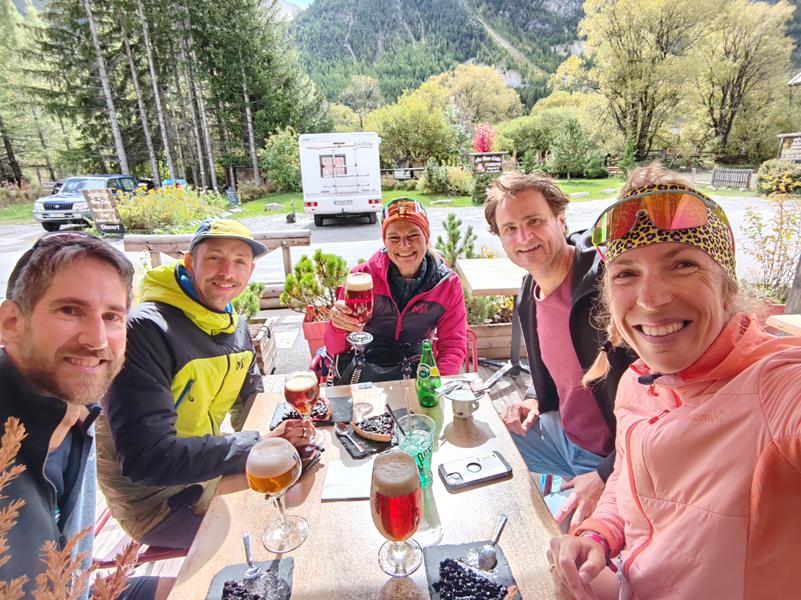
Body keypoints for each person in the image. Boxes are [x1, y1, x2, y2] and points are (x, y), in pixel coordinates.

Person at [547, 165, 801, 600]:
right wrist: (598, 534)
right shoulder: (636, 382)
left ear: (726, 286)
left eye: (682, 264)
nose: (651, 298)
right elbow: (627, 479)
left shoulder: (776, 388)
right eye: (626, 273)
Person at [95, 219, 312, 550]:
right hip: (158, 503)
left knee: (304, 478)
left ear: (250, 271)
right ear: (189, 262)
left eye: (239, 261)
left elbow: (251, 403)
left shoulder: (235, 326)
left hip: (206, 472)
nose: (227, 272)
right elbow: (146, 459)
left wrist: (290, 427)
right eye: (214, 258)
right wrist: (258, 444)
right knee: (276, 525)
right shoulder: (145, 331)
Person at [0, 232, 167, 599]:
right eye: (70, 310)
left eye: (112, 316)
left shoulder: (75, 414)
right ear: (12, 322)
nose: (97, 340)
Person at [484, 172, 636, 528]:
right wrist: (533, 399)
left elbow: (660, 399)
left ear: (561, 220)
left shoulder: (607, 285)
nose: (524, 238)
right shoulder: (529, 292)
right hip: (562, 434)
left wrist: (606, 473)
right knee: (487, 444)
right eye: (510, 229)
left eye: (534, 221)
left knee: (568, 552)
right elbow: (555, 367)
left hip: (613, 457)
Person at [325, 197, 467, 381]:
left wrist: (435, 385)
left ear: (427, 237)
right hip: (365, 371)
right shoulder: (361, 277)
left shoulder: (447, 284)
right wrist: (337, 326)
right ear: (385, 241)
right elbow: (335, 349)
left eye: (413, 235)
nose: (404, 245)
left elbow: (453, 345)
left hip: (416, 371)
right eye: (394, 237)